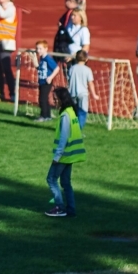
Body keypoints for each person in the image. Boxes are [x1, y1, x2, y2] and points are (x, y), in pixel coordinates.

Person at [45, 87, 86, 217]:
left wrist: (57, 156)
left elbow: (63, 138)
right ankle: (71, 209)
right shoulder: (71, 112)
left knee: (51, 179)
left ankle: (59, 207)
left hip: (63, 156)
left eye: (56, 99)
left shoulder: (65, 116)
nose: (54, 102)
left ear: (62, 100)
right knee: (66, 183)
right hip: (70, 155)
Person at [69, 50, 99, 130]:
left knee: (74, 112)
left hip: (72, 93)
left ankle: (73, 128)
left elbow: (69, 80)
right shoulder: (87, 70)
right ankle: (78, 129)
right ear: (86, 59)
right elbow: (90, 83)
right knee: (82, 112)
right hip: (83, 94)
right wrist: (94, 95)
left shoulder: (72, 68)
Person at [31, 40, 60, 122]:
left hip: (46, 82)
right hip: (42, 81)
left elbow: (57, 68)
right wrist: (35, 62)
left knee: (42, 99)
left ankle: (43, 116)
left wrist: (50, 77)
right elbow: (40, 69)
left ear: (46, 49)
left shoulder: (48, 58)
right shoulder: (42, 58)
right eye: (37, 48)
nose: (38, 50)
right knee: (45, 99)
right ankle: (47, 116)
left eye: (40, 49)